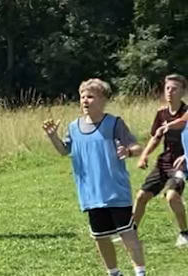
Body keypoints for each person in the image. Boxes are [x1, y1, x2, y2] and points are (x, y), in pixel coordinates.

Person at [42, 78, 146, 276]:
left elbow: (136, 146)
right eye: (82, 97)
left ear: (103, 100)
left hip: (116, 191)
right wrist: (53, 136)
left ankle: (140, 272)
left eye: (90, 96)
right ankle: (114, 272)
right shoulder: (74, 127)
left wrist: (128, 152)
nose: (85, 101)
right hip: (91, 194)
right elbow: (65, 151)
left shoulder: (114, 123)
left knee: (127, 233)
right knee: (100, 237)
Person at [133, 74, 188, 248]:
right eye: (167, 88)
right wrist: (144, 155)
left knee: (172, 196)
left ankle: (184, 233)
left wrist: (186, 156)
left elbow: (181, 123)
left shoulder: (186, 113)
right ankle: (131, 232)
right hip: (164, 162)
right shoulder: (161, 113)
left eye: (174, 88)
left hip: (182, 164)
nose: (170, 92)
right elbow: (156, 137)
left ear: (183, 92)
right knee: (141, 196)